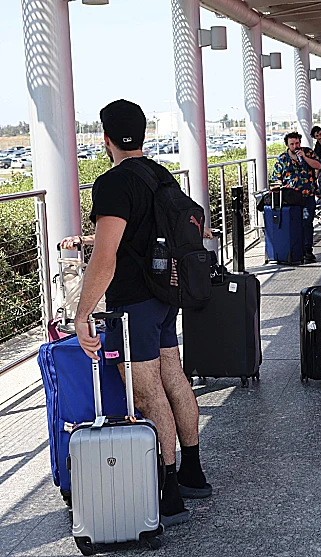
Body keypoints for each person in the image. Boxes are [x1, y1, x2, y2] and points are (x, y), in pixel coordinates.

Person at [73, 99, 211, 528]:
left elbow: (106, 255)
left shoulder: (111, 184)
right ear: (143, 135)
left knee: (146, 390)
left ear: (106, 138)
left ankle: (168, 494)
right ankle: (193, 472)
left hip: (133, 301)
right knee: (173, 373)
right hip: (166, 294)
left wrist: (82, 314)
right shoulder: (159, 173)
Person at [271, 132, 321, 263]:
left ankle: (307, 251)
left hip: (307, 195)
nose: (295, 146)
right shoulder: (282, 158)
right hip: (290, 199)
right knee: (294, 224)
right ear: (287, 145)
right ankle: (295, 251)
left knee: (307, 223)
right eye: (292, 144)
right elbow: (276, 178)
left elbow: (319, 166)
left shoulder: (308, 153)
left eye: (297, 143)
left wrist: (304, 158)